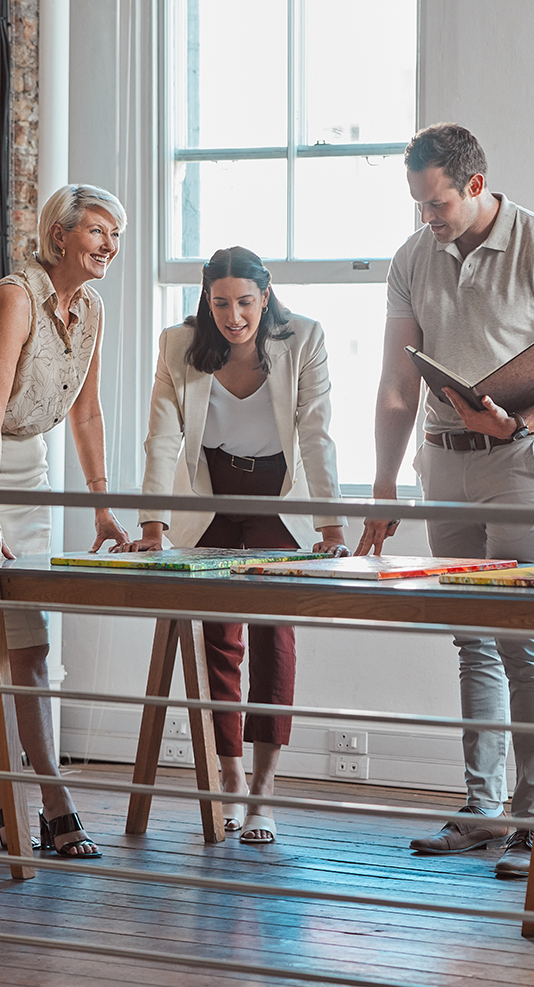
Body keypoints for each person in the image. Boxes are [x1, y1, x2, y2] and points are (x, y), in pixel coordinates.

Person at [356, 123, 534, 878]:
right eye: (418, 204)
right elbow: (396, 384)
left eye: (437, 203)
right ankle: (483, 810)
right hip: (442, 461)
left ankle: (533, 821)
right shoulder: (412, 258)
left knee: (525, 638)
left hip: (521, 459)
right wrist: (384, 484)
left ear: (475, 185)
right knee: (472, 636)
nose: (428, 218)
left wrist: (517, 419)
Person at [0, 184, 131, 860]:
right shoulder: (14, 296)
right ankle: (51, 798)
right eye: (99, 231)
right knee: (5, 637)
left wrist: (101, 503)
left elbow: (88, 412)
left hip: (31, 467)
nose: (110, 246)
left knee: (32, 644)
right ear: (62, 234)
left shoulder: (91, 309)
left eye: (116, 236)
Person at [121, 245, 346, 845]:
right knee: (218, 637)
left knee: (276, 634)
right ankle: (231, 781)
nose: (234, 316)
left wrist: (331, 528)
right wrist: (153, 526)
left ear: (265, 296)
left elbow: (317, 432)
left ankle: (266, 793)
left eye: (245, 302)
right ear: (206, 298)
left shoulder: (304, 339)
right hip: (211, 496)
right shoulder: (180, 344)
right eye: (221, 303)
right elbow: (161, 439)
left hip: (279, 497)